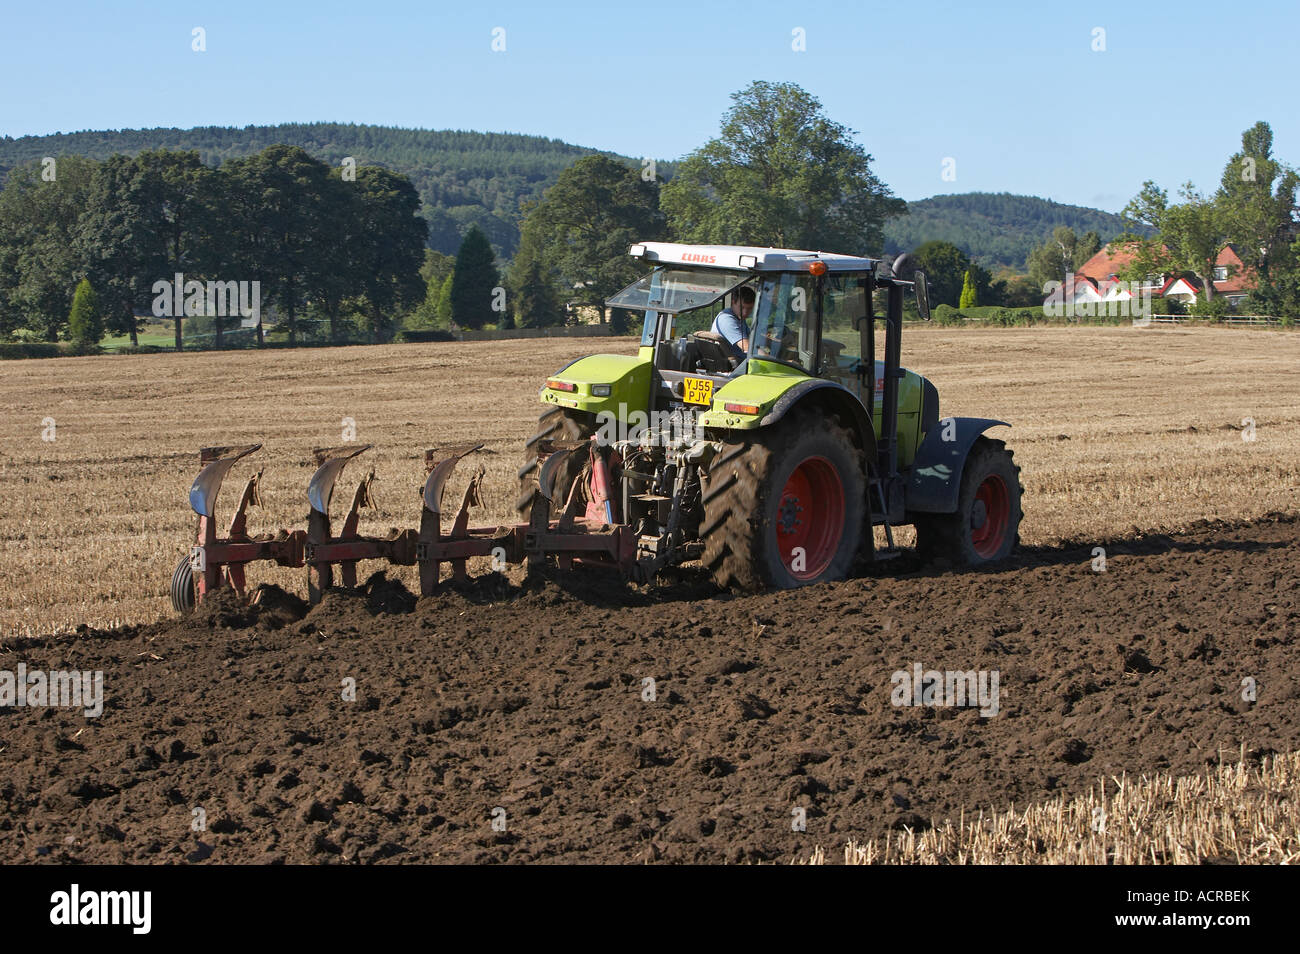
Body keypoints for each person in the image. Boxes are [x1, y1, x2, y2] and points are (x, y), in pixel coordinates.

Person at [711, 286, 756, 362]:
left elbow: (751, 338)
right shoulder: (727, 320)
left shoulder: (739, 318)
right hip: (737, 367)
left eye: (749, 308)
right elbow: (747, 347)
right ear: (733, 302)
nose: (745, 313)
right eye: (742, 307)